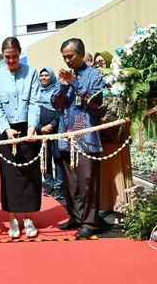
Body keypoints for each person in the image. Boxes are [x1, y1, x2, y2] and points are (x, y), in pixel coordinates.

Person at [52, 38, 104, 239]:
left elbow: (96, 101)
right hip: (66, 134)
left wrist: (75, 83)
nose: (67, 60)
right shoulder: (64, 76)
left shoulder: (94, 74)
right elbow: (56, 104)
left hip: (86, 134)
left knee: (87, 181)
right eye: (64, 57)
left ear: (81, 54)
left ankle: (90, 222)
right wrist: (64, 86)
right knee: (70, 183)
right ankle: (75, 216)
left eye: (70, 56)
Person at [0, 36, 42, 239]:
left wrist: (32, 127)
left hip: (28, 129)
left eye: (14, 56)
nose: (11, 61)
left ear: (20, 54)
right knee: (10, 177)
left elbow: (35, 102)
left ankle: (28, 217)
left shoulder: (32, 73)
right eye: (7, 57)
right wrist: (5, 129)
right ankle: (13, 218)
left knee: (30, 174)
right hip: (7, 131)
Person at [93, 51, 133, 215]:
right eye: (96, 63)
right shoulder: (97, 83)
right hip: (102, 134)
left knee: (118, 168)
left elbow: (123, 107)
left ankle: (122, 205)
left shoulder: (118, 82)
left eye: (101, 62)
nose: (98, 65)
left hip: (117, 133)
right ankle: (107, 204)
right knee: (105, 170)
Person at [39, 67, 64, 201]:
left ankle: (59, 187)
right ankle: (49, 184)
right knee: (45, 158)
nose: (43, 77)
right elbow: (33, 111)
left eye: (46, 75)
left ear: (51, 76)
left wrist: (51, 125)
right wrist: (40, 127)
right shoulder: (37, 92)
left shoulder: (56, 91)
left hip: (55, 130)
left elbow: (59, 111)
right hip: (41, 132)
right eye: (41, 75)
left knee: (58, 158)